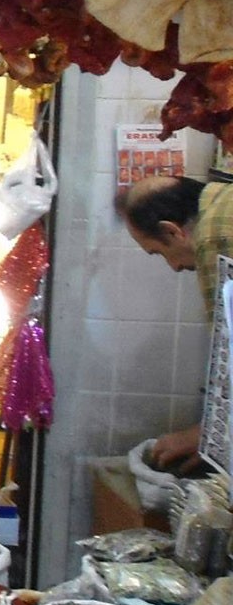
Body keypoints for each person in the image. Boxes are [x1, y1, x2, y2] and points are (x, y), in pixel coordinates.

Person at [117, 175, 233, 464]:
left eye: (159, 253)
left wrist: (207, 436)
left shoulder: (213, 237)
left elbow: (229, 355)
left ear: (172, 232)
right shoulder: (224, 198)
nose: (175, 267)